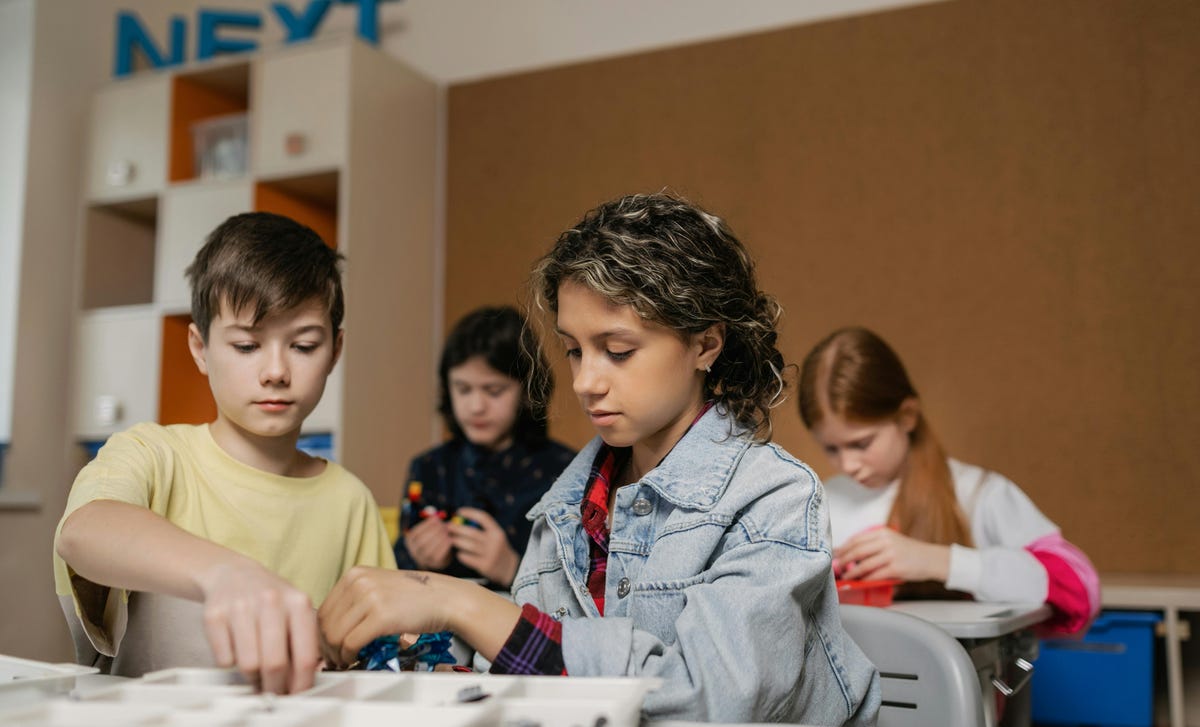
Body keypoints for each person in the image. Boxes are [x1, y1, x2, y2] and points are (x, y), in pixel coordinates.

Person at [319, 193, 880, 724]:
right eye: (573, 350)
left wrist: (465, 604)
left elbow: (707, 702)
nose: (585, 382)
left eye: (617, 351)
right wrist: (441, 658)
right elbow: (542, 675)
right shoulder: (565, 507)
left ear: (706, 344)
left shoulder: (775, 498)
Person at [53, 212, 396, 694]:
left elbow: (381, 648)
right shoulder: (154, 454)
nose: (275, 371)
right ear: (200, 347)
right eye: (247, 345)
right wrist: (227, 574)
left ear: (335, 350)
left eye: (303, 345)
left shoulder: (350, 500)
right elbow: (85, 531)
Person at [797, 326, 1099, 634]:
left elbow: (1079, 590)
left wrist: (940, 562)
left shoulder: (978, 494)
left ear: (907, 416)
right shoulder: (821, 501)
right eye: (831, 448)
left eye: (861, 444)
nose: (847, 465)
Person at [394, 305, 574, 589]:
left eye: (494, 390)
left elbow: (581, 588)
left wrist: (512, 569)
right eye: (463, 389)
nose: (476, 406)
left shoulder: (567, 473)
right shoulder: (428, 468)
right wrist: (416, 558)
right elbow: (394, 568)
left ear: (527, 390)